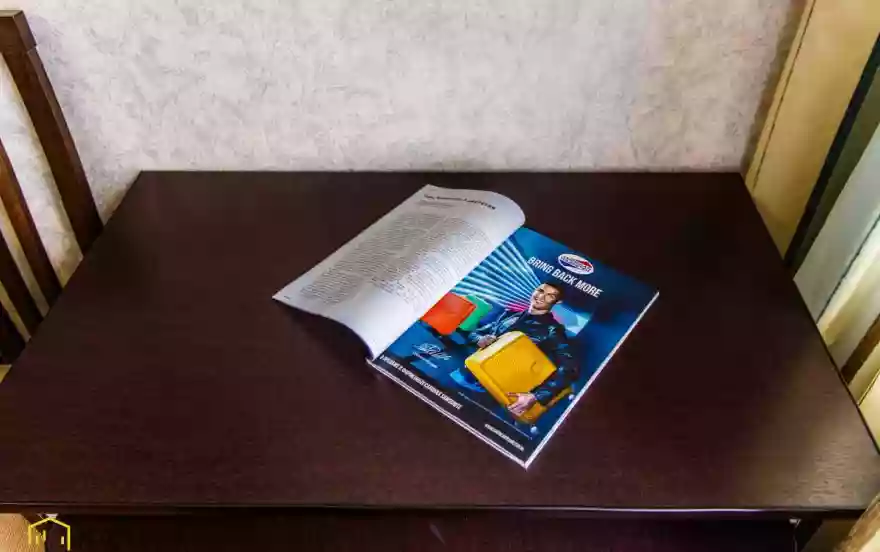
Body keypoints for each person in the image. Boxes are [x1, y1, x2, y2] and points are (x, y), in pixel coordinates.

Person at [455, 282, 579, 417]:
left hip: (496, 394)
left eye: (550, 296)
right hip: (465, 377)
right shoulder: (509, 314)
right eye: (540, 291)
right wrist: (479, 339)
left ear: (558, 302)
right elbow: (476, 333)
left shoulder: (552, 330)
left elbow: (570, 368)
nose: (541, 297)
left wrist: (535, 396)